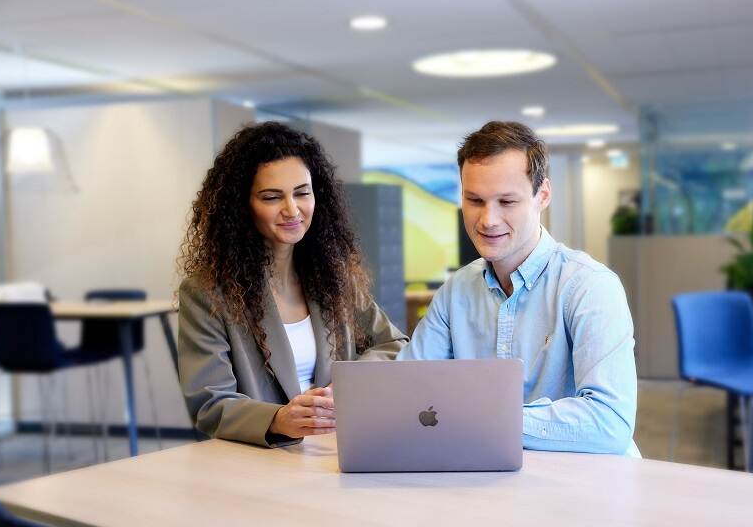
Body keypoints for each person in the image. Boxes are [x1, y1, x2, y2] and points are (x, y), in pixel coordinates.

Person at [399, 121, 639, 456]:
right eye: (475, 200)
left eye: (507, 202)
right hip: (488, 476)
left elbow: (609, 422)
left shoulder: (590, 287)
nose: (488, 220)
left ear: (543, 195)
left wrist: (484, 419)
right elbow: (406, 388)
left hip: (583, 486)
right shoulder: (455, 292)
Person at [177, 122, 407, 448]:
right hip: (263, 460)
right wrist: (279, 419)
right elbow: (209, 404)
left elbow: (395, 344)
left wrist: (347, 383)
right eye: (272, 197)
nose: (292, 209)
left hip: (341, 448)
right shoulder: (207, 294)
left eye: (302, 193)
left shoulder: (332, 277)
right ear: (242, 206)